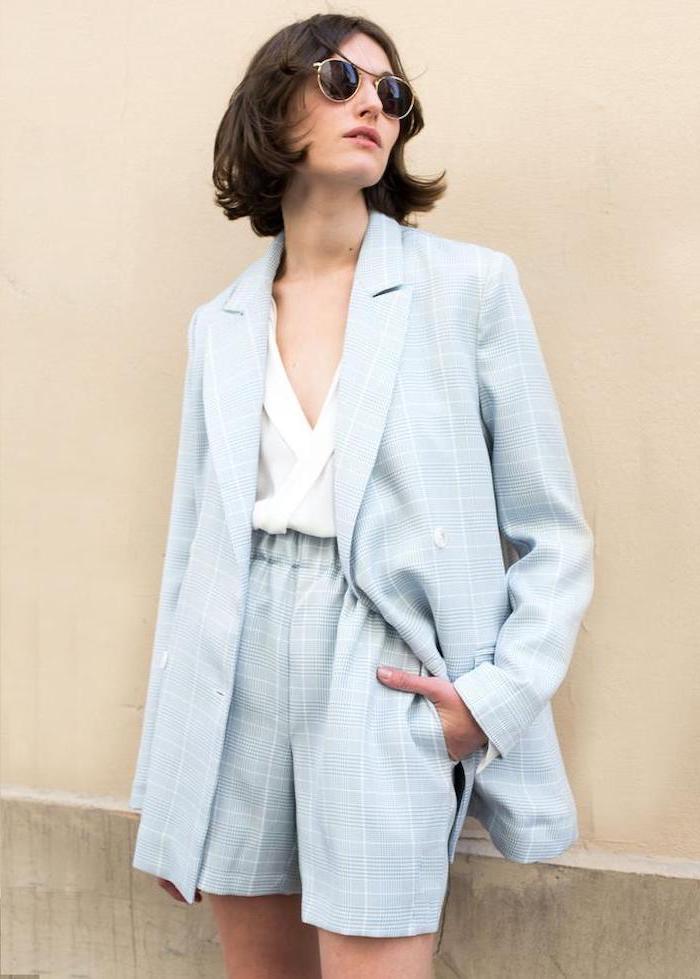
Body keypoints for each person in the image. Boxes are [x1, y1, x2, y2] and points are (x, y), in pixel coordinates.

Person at [128, 12, 594, 979]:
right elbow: (193, 552)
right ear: (272, 104)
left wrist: (488, 701)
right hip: (239, 668)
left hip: (380, 670)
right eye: (341, 78)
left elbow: (552, 530)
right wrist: (172, 775)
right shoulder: (218, 324)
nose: (372, 104)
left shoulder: (467, 288)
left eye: (392, 92)